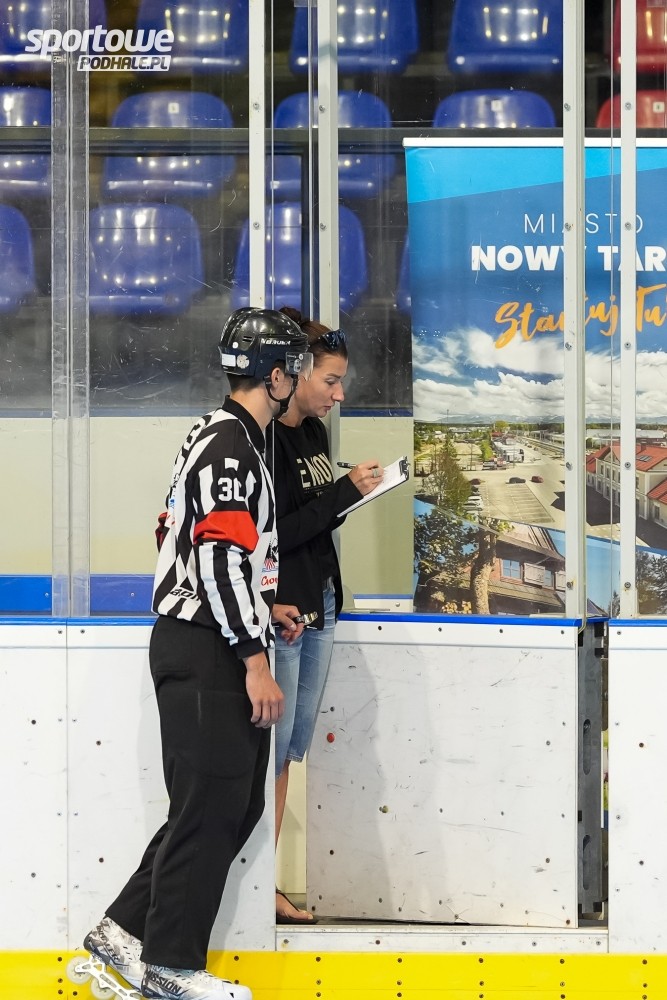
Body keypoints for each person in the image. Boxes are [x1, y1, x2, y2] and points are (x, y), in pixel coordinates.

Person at [80, 308, 313, 1000]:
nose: (301, 382)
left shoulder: (222, 435)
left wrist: (261, 607)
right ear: (275, 376)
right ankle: (171, 966)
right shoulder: (232, 448)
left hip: (209, 637)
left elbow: (181, 538)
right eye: (296, 369)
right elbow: (214, 557)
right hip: (209, 650)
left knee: (225, 809)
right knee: (211, 808)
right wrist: (254, 658)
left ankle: (123, 933)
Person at [269, 307, 383, 924]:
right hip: (282, 613)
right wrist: (344, 494)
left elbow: (315, 520)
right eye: (331, 381)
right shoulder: (262, 439)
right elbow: (272, 535)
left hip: (320, 601)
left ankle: (264, 880)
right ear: (295, 374)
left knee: (291, 750)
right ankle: (257, 882)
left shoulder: (313, 433)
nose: (339, 395)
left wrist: (352, 495)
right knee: (271, 752)